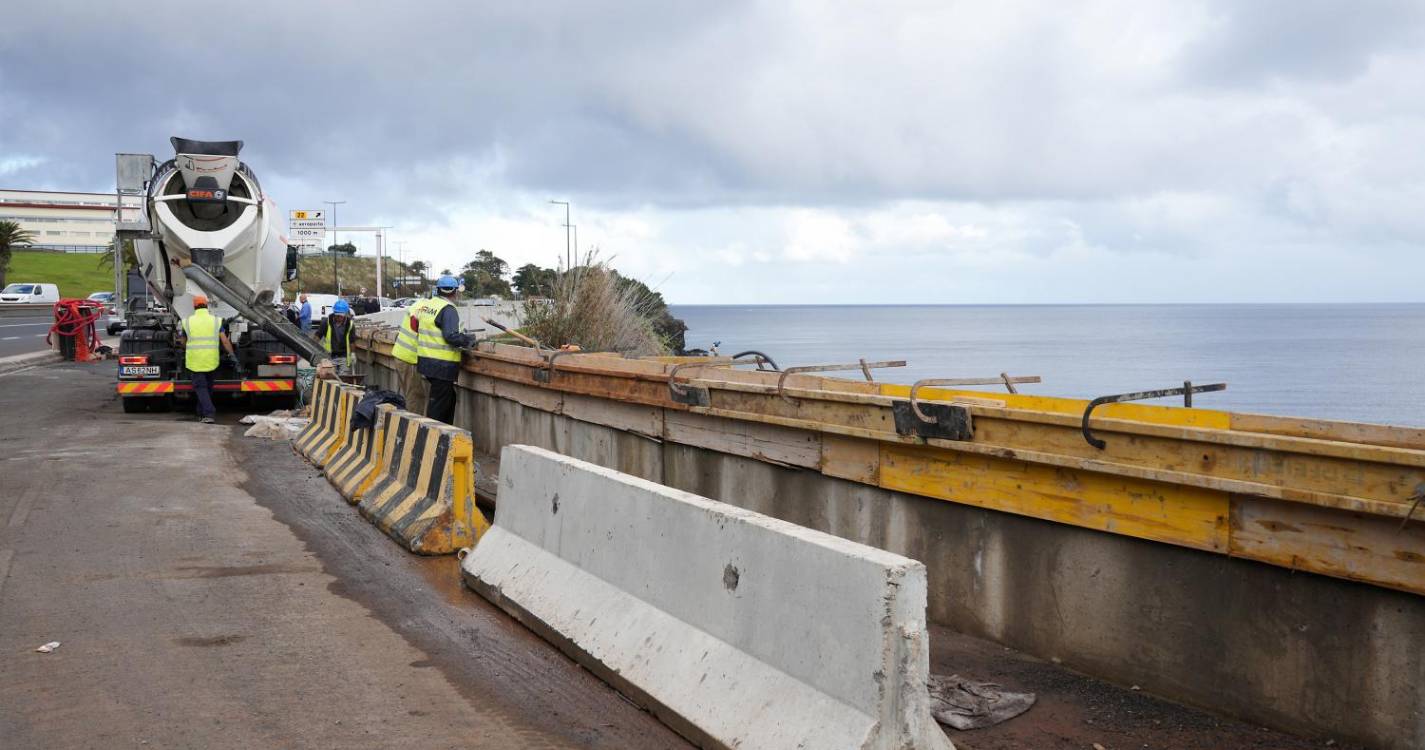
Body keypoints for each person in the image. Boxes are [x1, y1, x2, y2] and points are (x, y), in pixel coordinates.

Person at [415, 276, 474, 424]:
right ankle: (433, 439)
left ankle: (444, 433)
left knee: (448, 399)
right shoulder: (448, 309)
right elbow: (451, 336)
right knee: (439, 407)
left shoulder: (429, 305)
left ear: (438, 290)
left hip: (426, 362)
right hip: (441, 366)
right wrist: (468, 340)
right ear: (455, 292)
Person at [179, 295, 236, 424]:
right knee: (207, 388)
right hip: (211, 360)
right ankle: (201, 413)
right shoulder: (216, 321)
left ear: (194, 307)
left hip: (195, 360)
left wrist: (186, 347)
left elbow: (183, 342)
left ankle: (209, 413)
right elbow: (225, 341)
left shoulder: (187, 322)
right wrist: (232, 354)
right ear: (206, 306)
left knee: (200, 387)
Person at [392, 296, 430, 415]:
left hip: (400, 354)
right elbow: (417, 327)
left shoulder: (418, 305)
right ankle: (415, 428)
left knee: (410, 395)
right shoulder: (425, 310)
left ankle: (409, 426)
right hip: (409, 358)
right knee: (416, 396)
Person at [317, 299, 354, 371]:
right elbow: (317, 336)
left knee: (343, 379)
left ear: (346, 314)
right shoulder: (326, 322)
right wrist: (313, 349)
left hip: (344, 357)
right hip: (329, 357)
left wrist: (353, 354)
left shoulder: (350, 324)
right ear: (334, 312)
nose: (339, 317)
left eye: (341, 316)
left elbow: (352, 341)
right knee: (330, 379)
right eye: (337, 315)